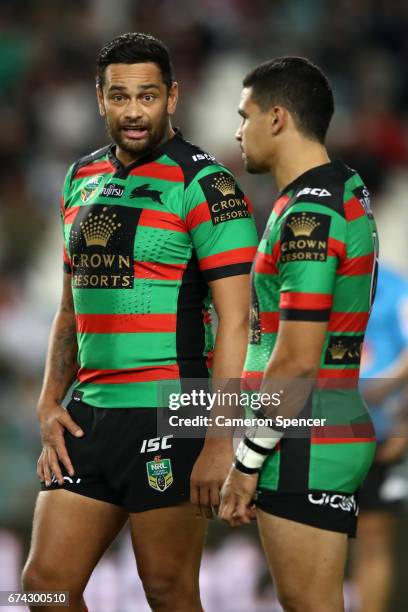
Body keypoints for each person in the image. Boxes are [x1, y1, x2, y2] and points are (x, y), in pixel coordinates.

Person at [22, 33, 258, 612]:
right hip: (88, 417)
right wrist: (50, 401)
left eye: (147, 96)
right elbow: (69, 308)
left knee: (168, 590)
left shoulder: (207, 184)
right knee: (43, 586)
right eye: (120, 96)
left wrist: (219, 439)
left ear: (172, 97)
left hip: (172, 410)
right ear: (99, 99)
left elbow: (235, 323)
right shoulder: (81, 177)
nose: (134, 111)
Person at [219, 57, 379, 612]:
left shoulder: (310, 214)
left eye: (245, 115)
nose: (238, 131)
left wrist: (246, 461)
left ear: (278, 118)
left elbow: (296, 361)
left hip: (305, 438)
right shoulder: (342, 189)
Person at [353, 263, 408, 612]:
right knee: (321, 534)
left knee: (373, 536)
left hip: (382, 431)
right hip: (322, 429)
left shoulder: (397, 287)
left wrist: (403, 422)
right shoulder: (314, 279)